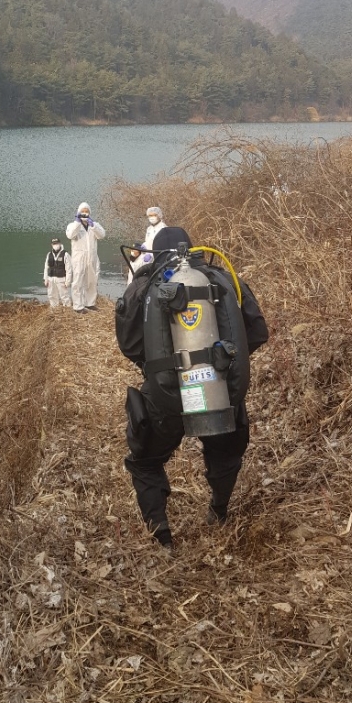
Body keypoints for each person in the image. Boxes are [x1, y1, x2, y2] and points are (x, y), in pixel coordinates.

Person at [115, 226, 268, 551]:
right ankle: (219, 511)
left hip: (166, 399)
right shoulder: (221, 277)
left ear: (154, 253)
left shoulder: (145, 284)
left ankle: (162, 539)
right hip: (219, 390)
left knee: (145, 462)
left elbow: (129, 345)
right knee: (226, 451)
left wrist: (163, 365)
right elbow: (256, 332)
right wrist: (219, 364)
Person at [66, 202, 106, 314]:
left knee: (92, 281)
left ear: (90, 213)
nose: (85, 213)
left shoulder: (94, 225)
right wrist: (77, 223)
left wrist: (93, 226)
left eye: (86, 211)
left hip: (92, 257)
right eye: (82, 211)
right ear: (78, 212)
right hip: (79, 258)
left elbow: (102, 235)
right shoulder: (73, 226)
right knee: (78, 281)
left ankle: (90, 303)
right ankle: (78, 306)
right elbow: (70, 235)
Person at [43, 237, 72, 308]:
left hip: (61, 278)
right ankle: (54, 308)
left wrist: (68, 281)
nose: (56, 245)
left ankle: (67, 308)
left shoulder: (65, 254)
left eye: (57, 243)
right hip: (51, 279)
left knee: (64, 295)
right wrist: (45, 279)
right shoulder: (49, 254)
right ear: (51, 245)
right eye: (54, 244)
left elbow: (69, 269)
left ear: (60, 244)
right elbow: (46, 268)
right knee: (51, 295)